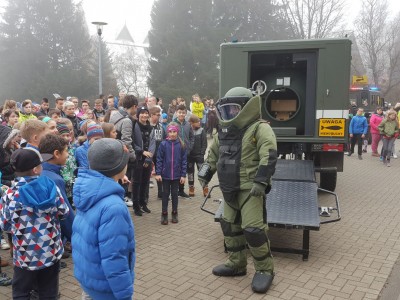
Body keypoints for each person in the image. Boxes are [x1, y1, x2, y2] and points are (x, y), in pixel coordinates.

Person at [199, 87, 277, 294]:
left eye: (234, 109)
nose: (230, 114)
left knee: (253, 229)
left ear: (246, 108)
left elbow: (268, 155)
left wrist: (261, 182)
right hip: (229, 188)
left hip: (250, 190)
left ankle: (265, 270)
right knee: (229, 226)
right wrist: (205, 174)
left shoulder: (260, 128)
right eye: (226, 110)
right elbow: (213, 155)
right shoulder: (223, 133)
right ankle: (237, 264)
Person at [0, 147, 69, 298]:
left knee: (21, 291)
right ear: (36, 169)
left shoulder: (9, 196)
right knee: (49, 290)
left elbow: (5, 225)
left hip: (25, 255)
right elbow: (64, 212)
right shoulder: (51, 188)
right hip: (50, 251)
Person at [72, 138, 135, 300]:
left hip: (90, 281)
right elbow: (114, 258)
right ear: (119, 167)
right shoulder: (114, 207)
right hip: (107, 290)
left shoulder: (88, 191)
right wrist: (124, 295)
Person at [39, 134, 75, 255]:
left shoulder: (38, 171)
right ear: (56, 153)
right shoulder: (54, 179)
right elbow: (66, 215)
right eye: (65, 151)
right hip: (52, 236)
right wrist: (75, 237)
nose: (68, 154)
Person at [155, 123, 187, 224]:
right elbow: (159, 159)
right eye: (170, 132)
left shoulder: (181, 145)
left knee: (174, 194)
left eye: (174, 132)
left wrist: (183, 175)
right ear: (167, 132)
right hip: (165, 175)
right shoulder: (163, 144)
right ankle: (164, 214)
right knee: (165, 195)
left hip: (177, 175)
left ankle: (174, 213)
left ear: (177, 132)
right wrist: (158, 173)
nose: (172, 134)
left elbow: (184, 161)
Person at [109, 94, 138, 207]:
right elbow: (126, 140)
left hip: (114, 151)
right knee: (124, 179)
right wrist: (132, 155)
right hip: (123, 154)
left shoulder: (115, 115)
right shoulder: (126, 121)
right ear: (134, 106)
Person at [132, 106, 155, 216]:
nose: (144, 115)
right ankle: (136, 206)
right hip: (138, 158)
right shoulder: (134, 126)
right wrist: (141, 151)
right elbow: (132, 143)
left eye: (146, 113)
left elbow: (153, 143)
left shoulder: (150, 128)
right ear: (138, 114)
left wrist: (149, 159)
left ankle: (143, 203)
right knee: (136, 183)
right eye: (142, 113)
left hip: (147, 159)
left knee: (145, 182)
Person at [173, 104, 194, 198]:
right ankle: (175, 190)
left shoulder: (188, 124)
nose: (181, 114)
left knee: (183, 171)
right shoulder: (172, 124)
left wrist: (190, 147)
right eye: (179, 112)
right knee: (175, 170)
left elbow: (192, 137)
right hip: (175, 152)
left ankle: (181, 190)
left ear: (186, 113)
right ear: (176, 113)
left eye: (183, 112)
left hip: (186, 152)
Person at [187, 115, 207, 197]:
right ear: (191, 123)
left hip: (199, 156)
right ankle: (191, 188)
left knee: (202, 172)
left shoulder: (202, 130)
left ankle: (205, 188)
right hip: (190, 156)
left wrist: (202, 153)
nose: (199, 123)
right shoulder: (188, 130)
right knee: (190, 173)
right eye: (197, 122)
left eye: (199, 121)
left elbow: (204, 143)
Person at [149, 106, 165, 199]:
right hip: (149, 153)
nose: (159, 116)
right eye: (157, 115)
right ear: (151, 115)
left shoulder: (161, 127)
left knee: (160, 172)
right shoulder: (147, 126)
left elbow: (163, 138)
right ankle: (145, 195)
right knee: (147, 174)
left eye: (159, 115)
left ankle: (161, 192)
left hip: (159, 153)